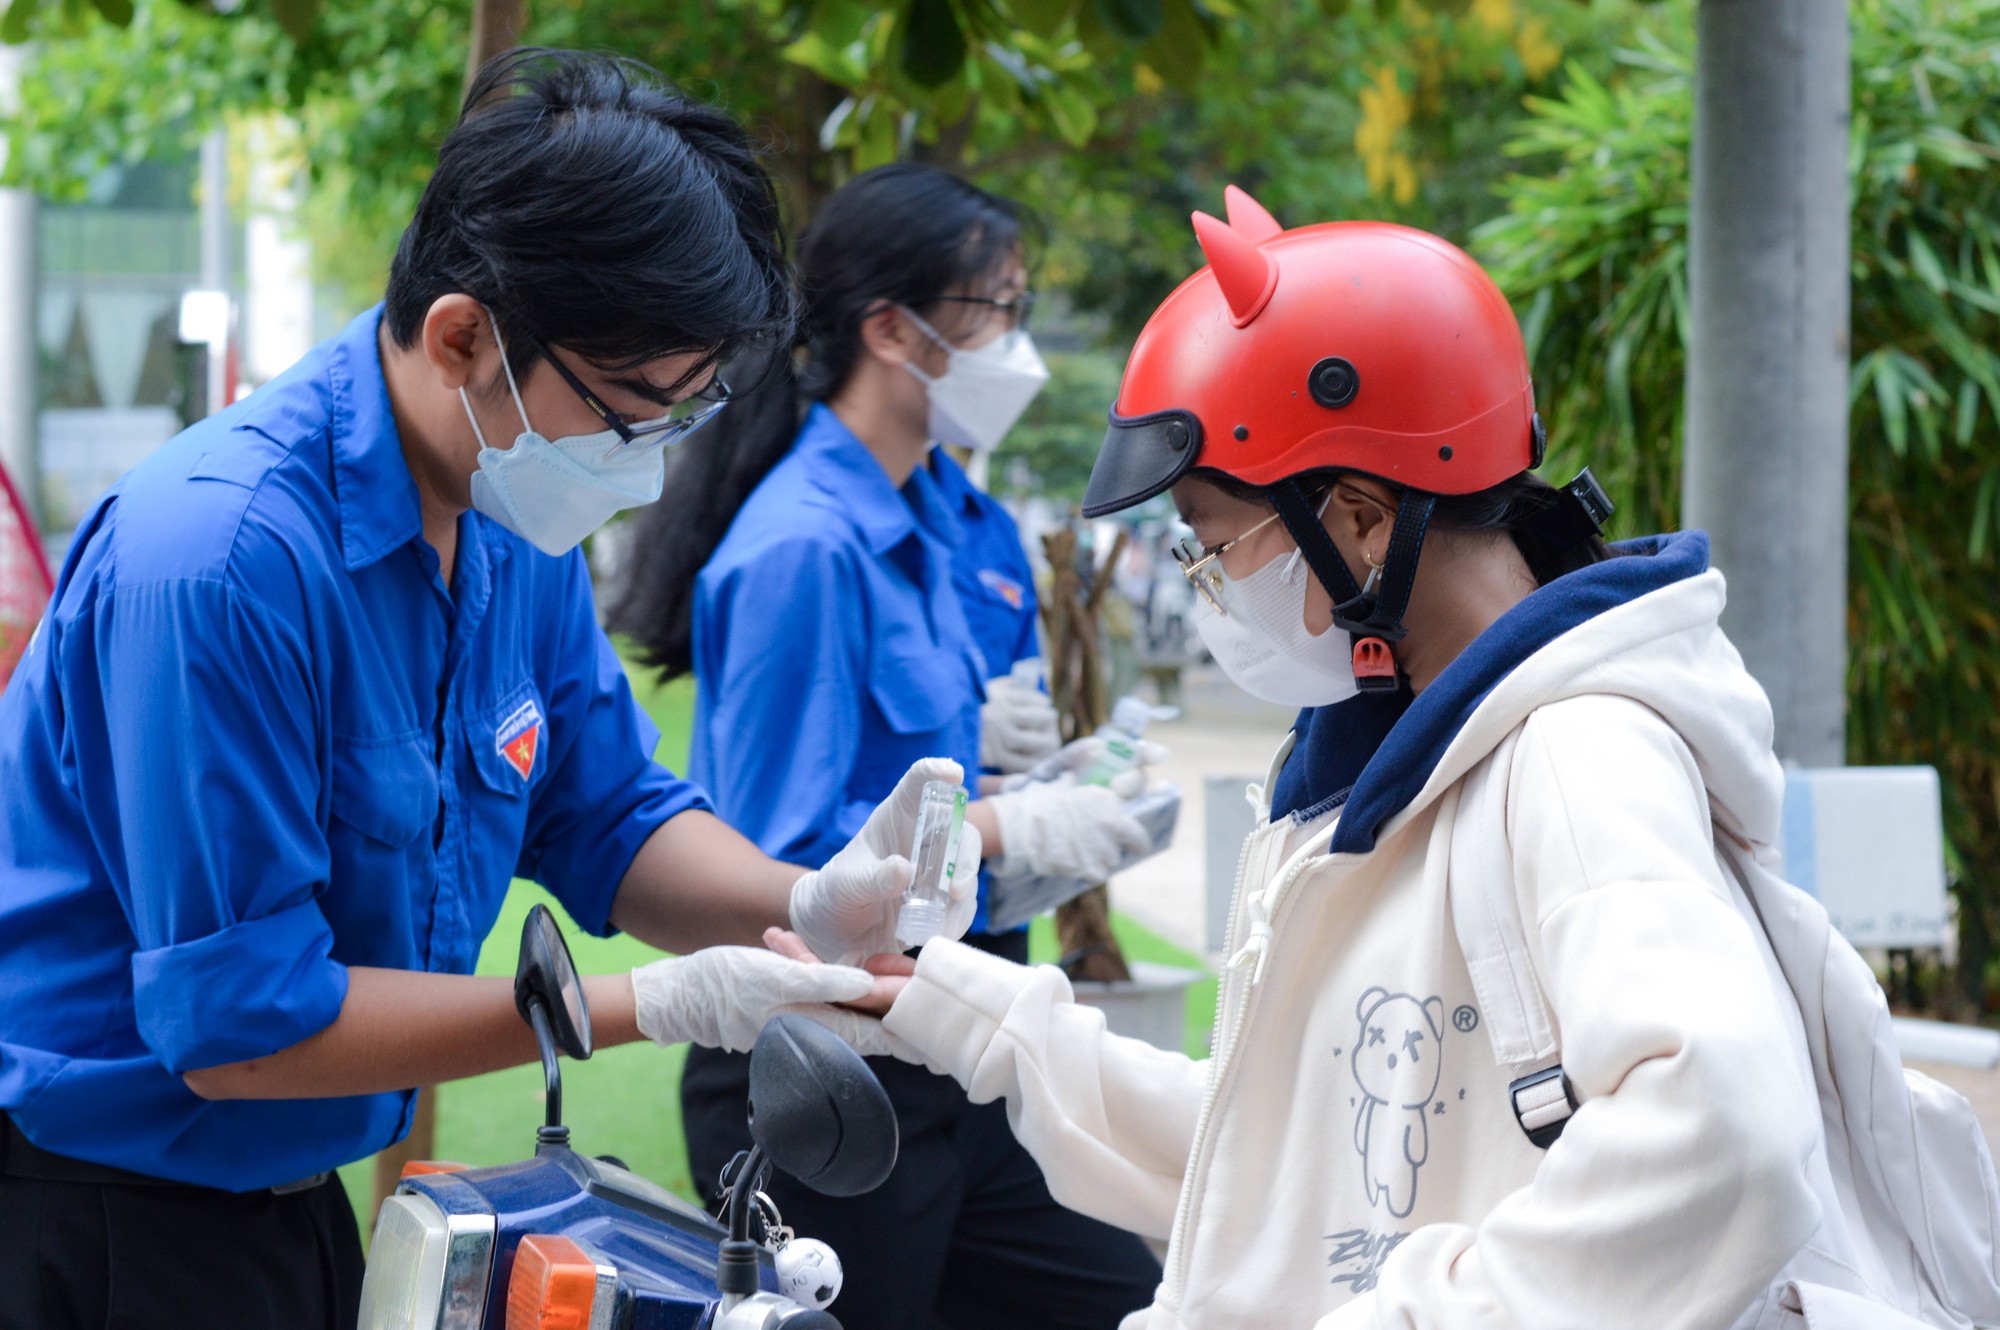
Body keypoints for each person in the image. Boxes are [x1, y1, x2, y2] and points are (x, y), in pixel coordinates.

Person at [0, 53, 985, 1330]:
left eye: (684, 415)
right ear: (464, 335)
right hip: (94, 1217)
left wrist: (795, 901)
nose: (645, 464)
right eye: (634, 409)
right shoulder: (222, 563)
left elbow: (604, 808)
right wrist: (641, 1005)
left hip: (295, 1194)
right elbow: (243, 1027)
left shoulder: (505, 504)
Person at [825, 190, 1833, 1329]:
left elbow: (1723, 1134)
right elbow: (1302, 1145)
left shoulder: (1570, 754)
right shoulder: (1393, 761)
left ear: (1357, 515)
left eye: (1214, 540)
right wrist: (970, 1013)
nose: (1207, 584)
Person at [610, 161, 1161, 1330]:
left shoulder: (947, 514)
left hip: (960, 1031)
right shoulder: (803, 549)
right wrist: (1006, 827)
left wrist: (1031, 789)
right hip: (828, 1065)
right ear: (890, 330)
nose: (1016, 340)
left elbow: (928, 772)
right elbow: (776, 867)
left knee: (1127, 1299)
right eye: (994, 307)